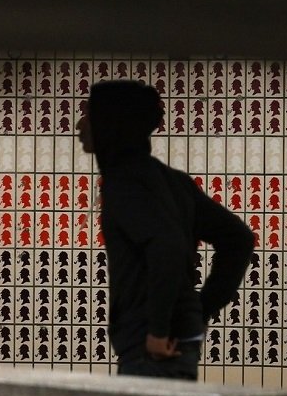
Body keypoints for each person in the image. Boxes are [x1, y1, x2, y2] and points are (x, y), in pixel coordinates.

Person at [76, 80, 254, 380]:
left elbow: (166, 246)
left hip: (154, 349)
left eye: (90, 114)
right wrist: (200, 309)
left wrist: (158, 329)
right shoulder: (172, 181)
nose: (80, 125)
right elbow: (239, 238)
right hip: (178, 339)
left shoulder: (126, 182)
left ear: (111, 124)